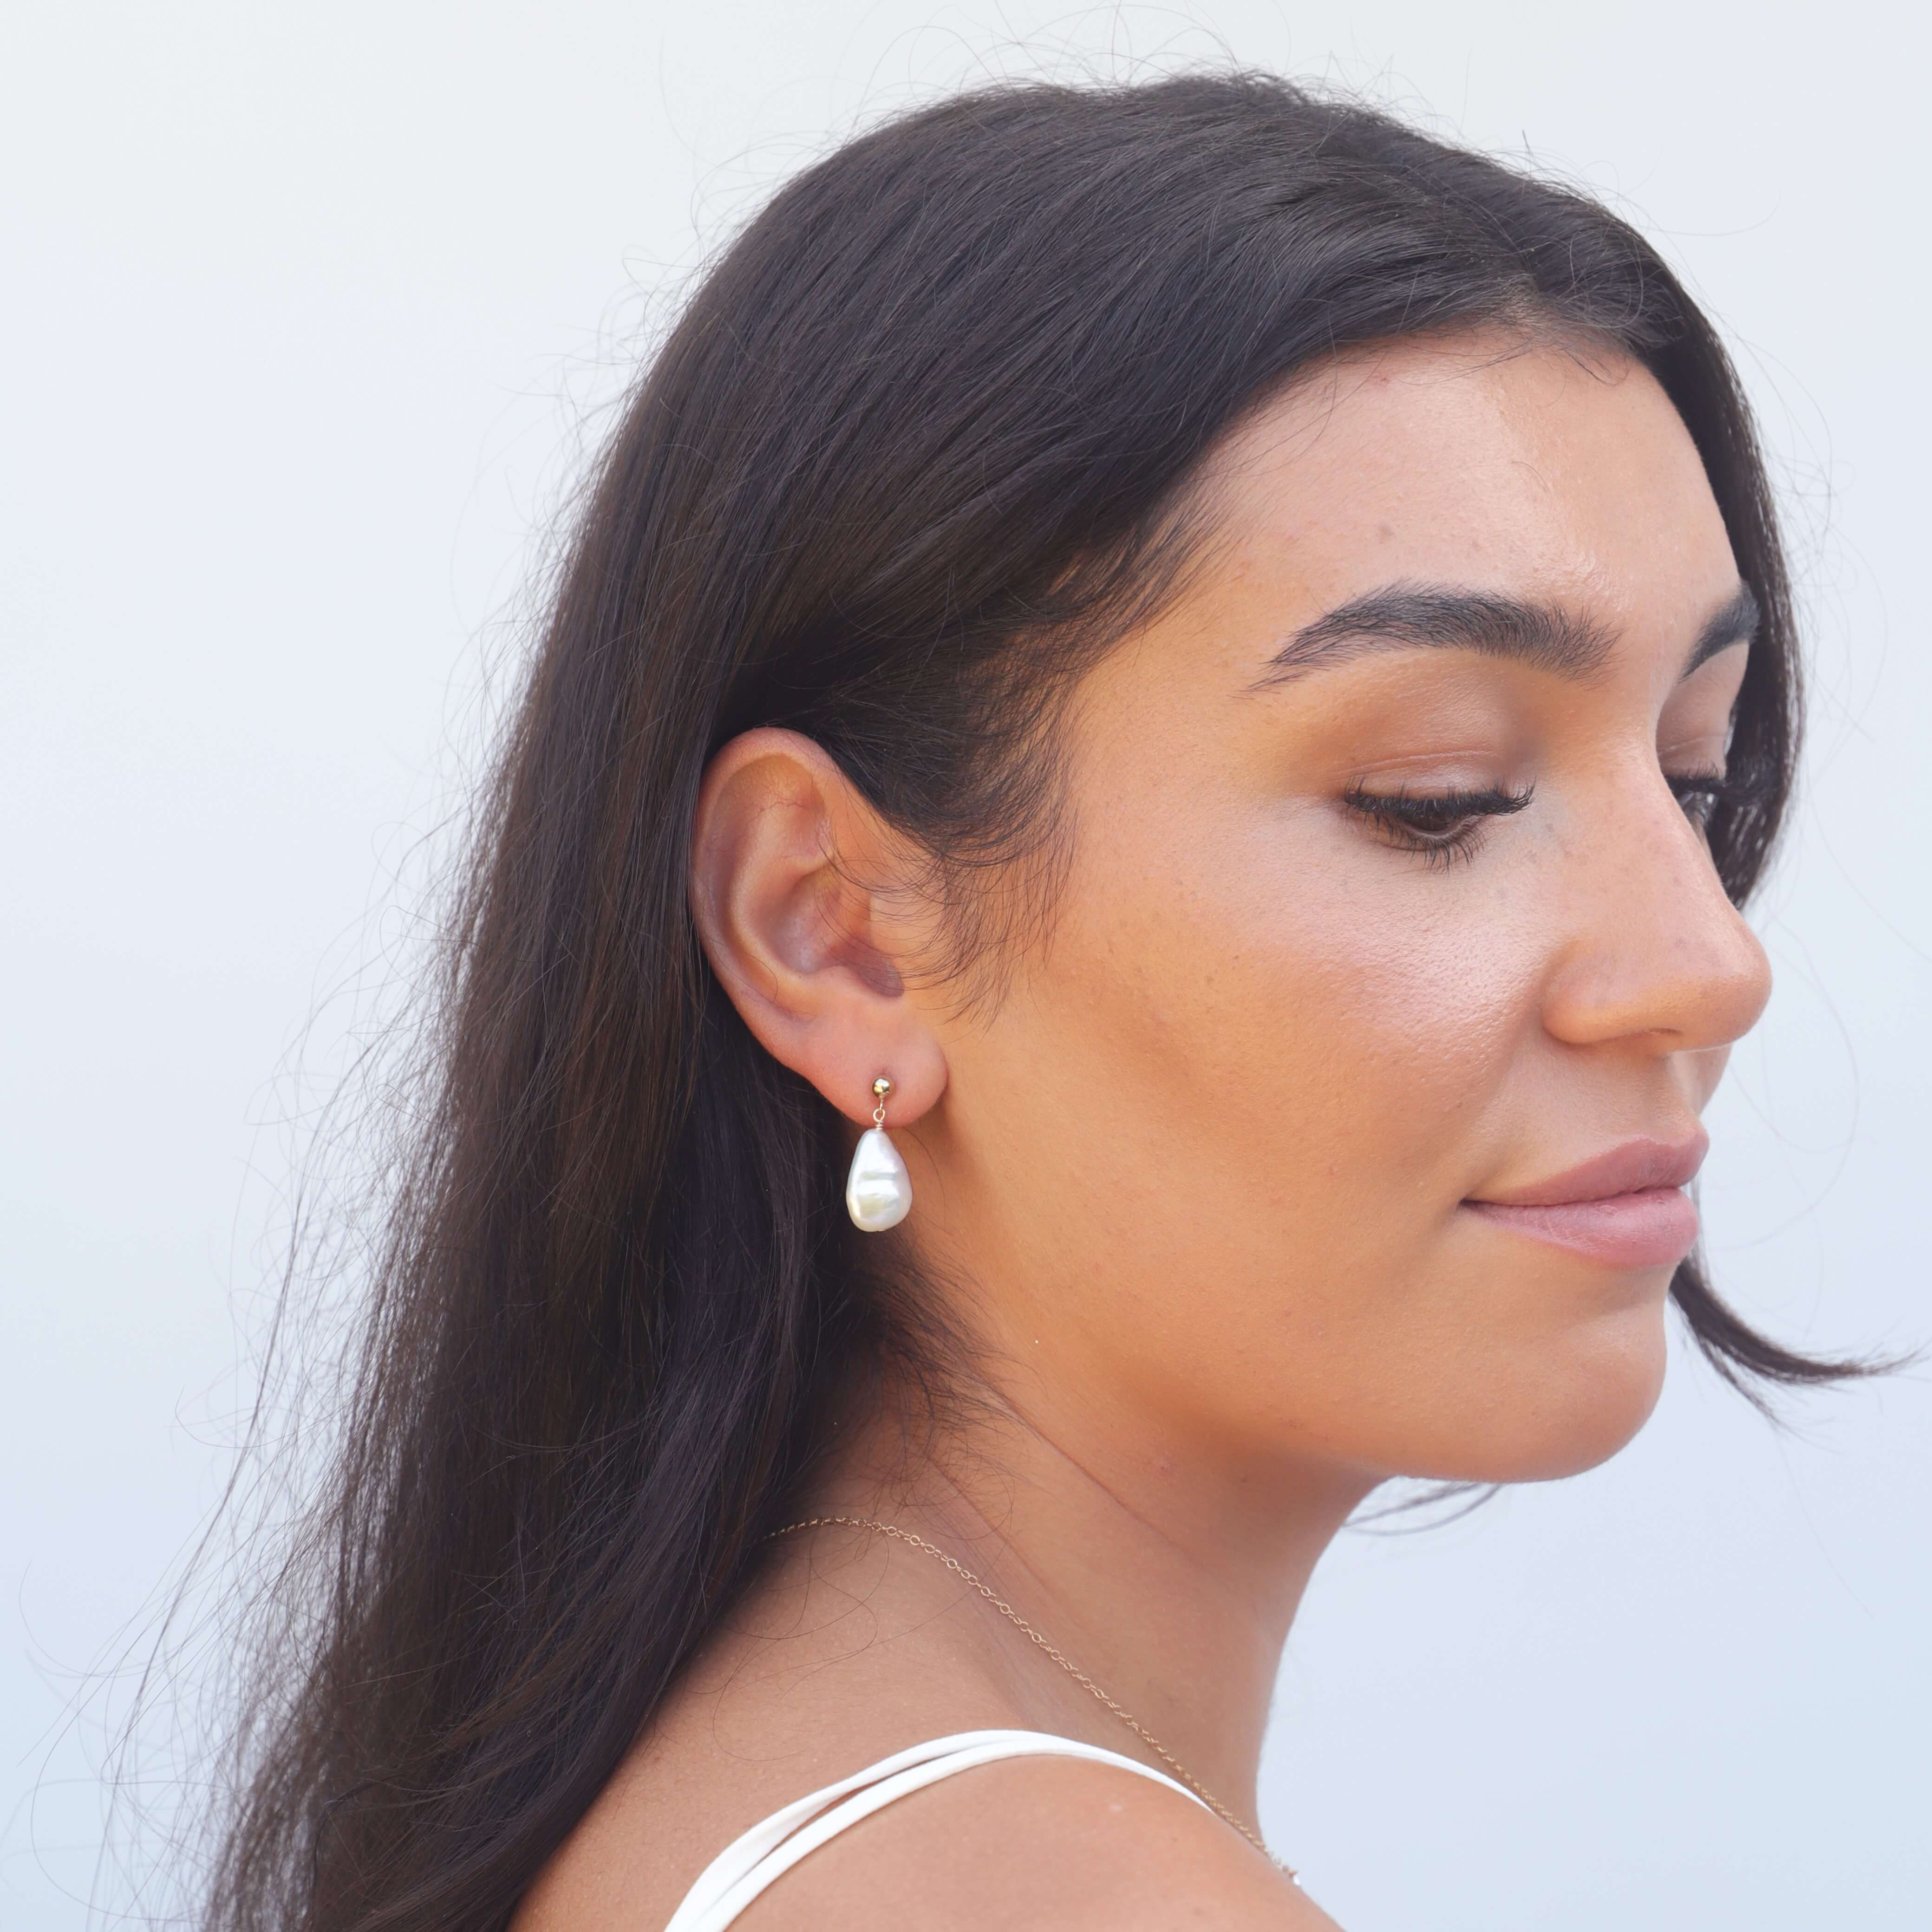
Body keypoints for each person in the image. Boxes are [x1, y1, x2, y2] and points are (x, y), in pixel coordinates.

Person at [206, 72, 1870, 1932]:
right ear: (831, 927)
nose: (1705, 959)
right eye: (1436, 796)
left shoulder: (731, 1801)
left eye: (1695, 775)